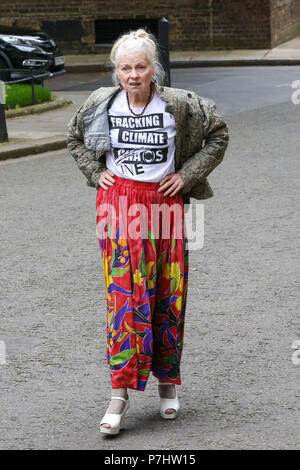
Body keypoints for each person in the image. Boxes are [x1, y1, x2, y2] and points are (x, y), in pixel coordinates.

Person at [67, 29, 229, 435]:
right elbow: (74, 138)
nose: (133, 75)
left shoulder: (179, 104)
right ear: (116, 71)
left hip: (164, 204)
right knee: (124, 298)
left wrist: (188, 175)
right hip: (118, 204)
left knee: (167, 293)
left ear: (154, 68)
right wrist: (95, 172)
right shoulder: (101, 103)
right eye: (126, 68)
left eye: (141, 67)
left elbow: (218, 133)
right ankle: (118, 394)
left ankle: (168, 382)